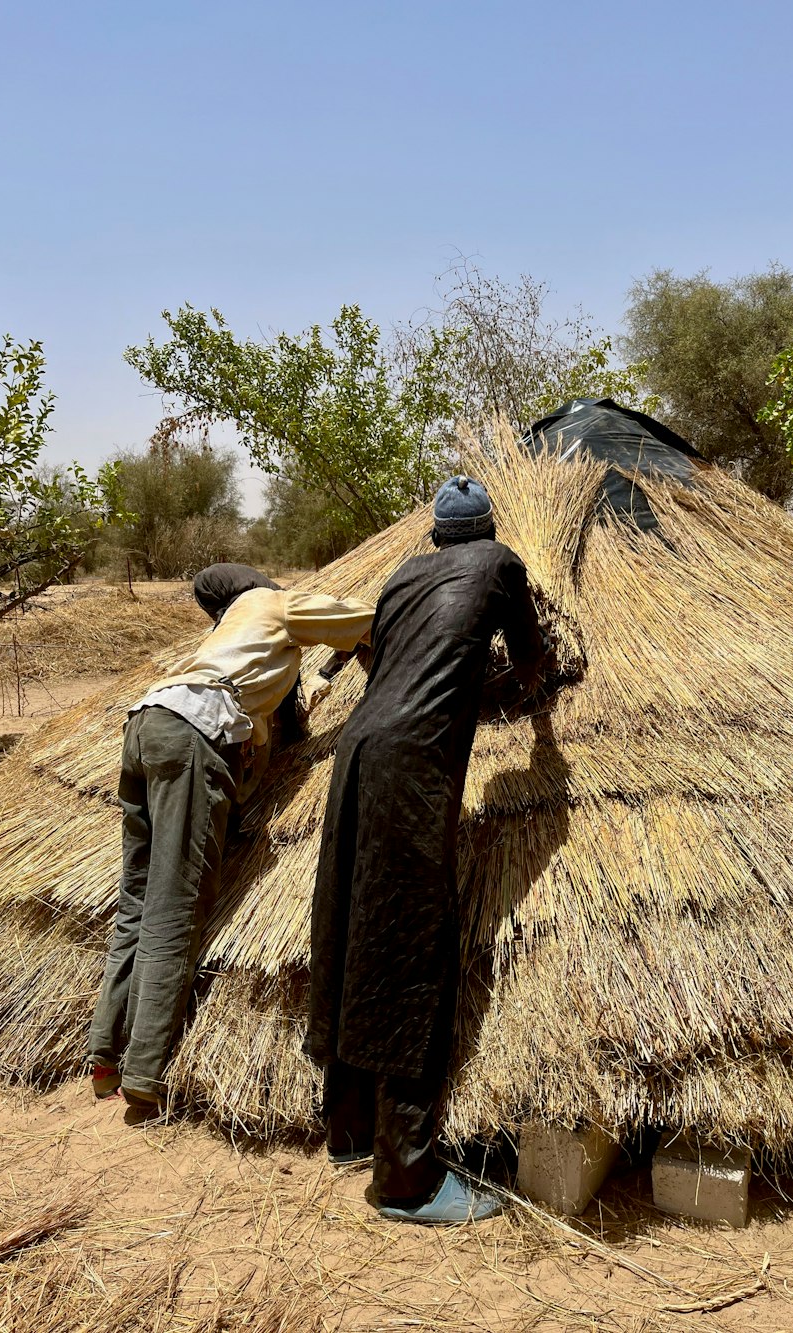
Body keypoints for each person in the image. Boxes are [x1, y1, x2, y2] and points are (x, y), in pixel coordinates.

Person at [308, 476, 546, 1224]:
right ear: (487, 529)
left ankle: (348, 1129)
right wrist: (534, 703)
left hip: (359, 748)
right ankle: (405, 1178)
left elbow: (383, 663)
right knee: (413, 949)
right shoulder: (501, 564)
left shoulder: (401, 576)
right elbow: (533, 655)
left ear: (437, 535)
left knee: (351, 925)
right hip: (414, 762)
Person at [88, 563, 374, 1114]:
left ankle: (105, 1054)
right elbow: (364, 617)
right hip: (194, 736)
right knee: (178, 902)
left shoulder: (223, 637)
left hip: (145, 724)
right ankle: (144, 1072)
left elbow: (270, 718)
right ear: (259, 585)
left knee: (138, 899)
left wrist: (311, 684)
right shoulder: (271, 604)